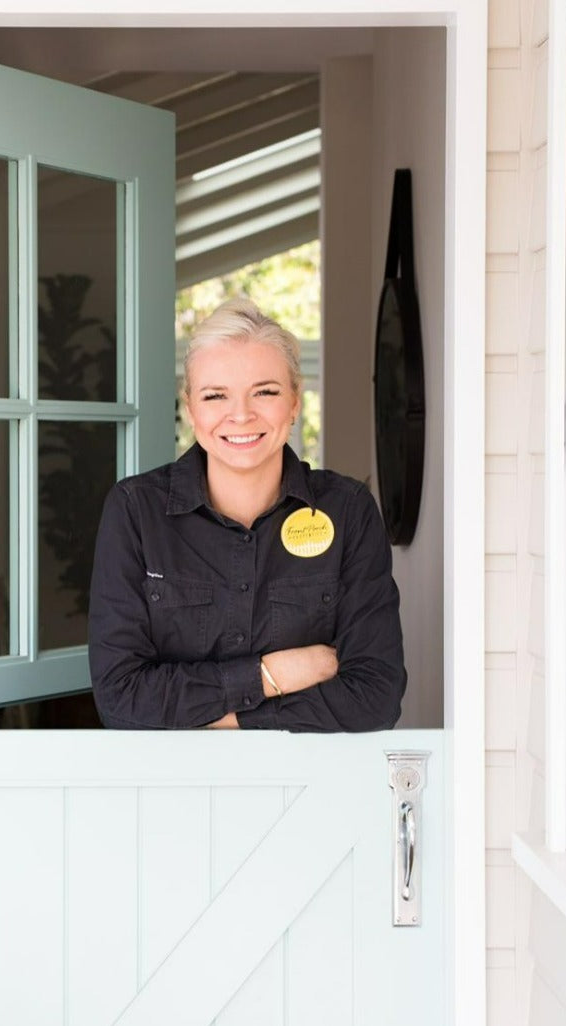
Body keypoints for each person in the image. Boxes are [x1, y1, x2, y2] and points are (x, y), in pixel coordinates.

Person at [87, 297, 406, 731]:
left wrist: (223, 718)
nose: (240, 415)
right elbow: (122, 701)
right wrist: (275, 674)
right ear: (191, 406)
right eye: (216, 395)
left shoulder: (348, 511)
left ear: (294, 402)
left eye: (265, 392)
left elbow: (375, 698)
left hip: (312, 786)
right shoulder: (135, 512)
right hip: (173, 789)